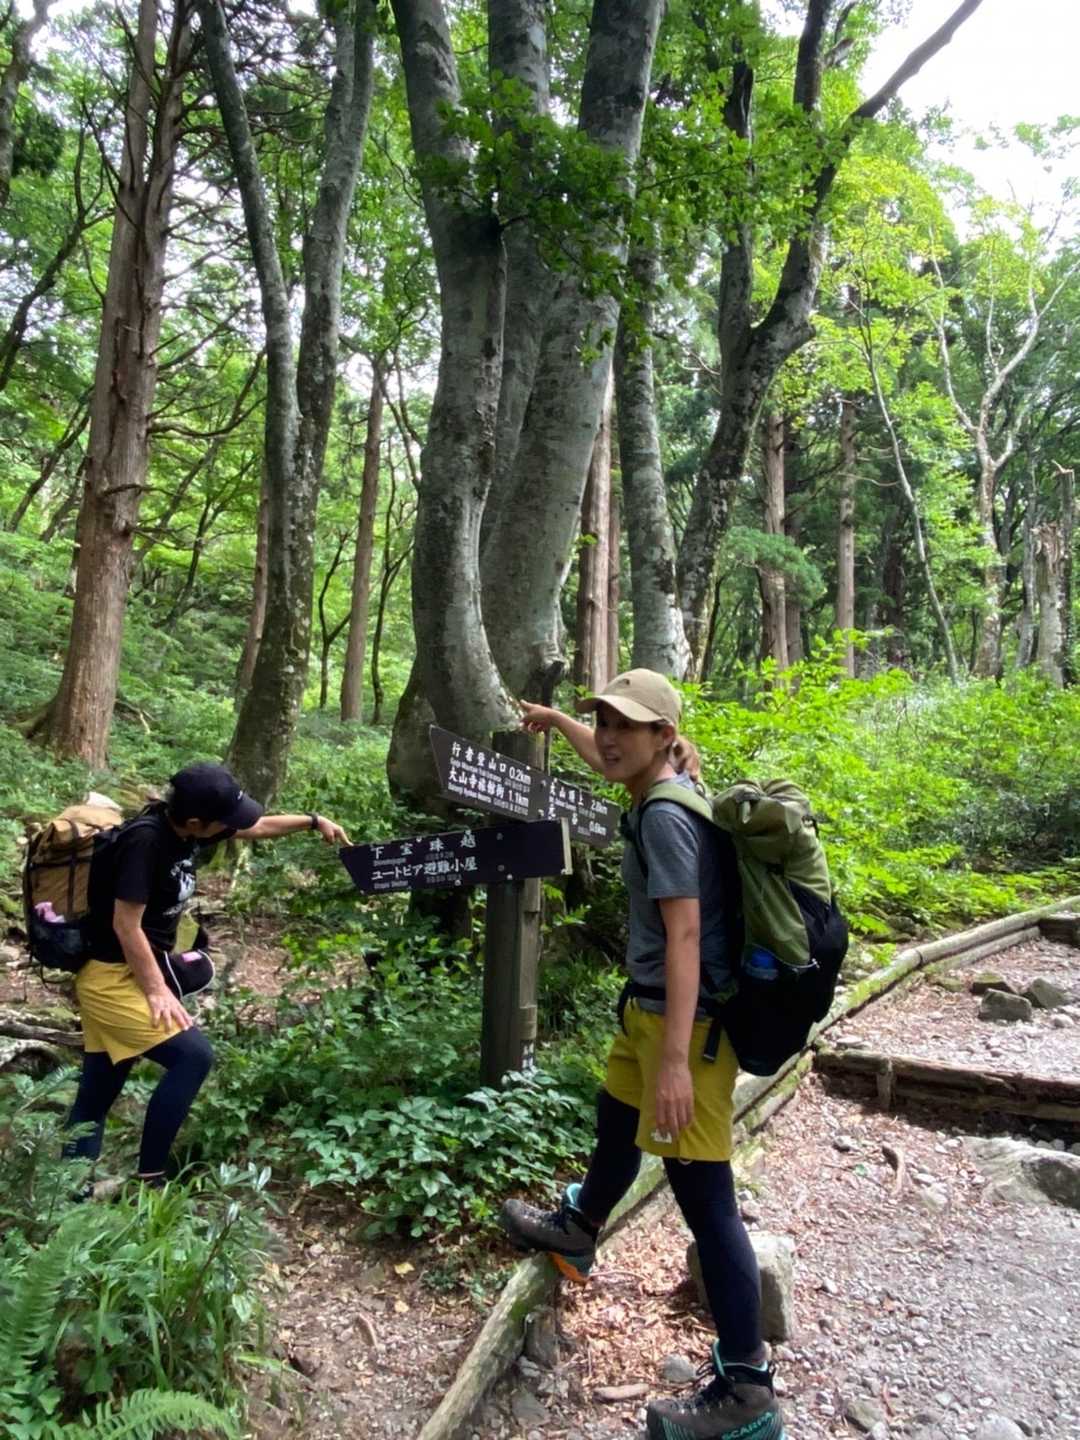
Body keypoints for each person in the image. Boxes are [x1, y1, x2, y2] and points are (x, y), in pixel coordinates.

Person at [500, 670, 785, 1440]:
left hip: (685, 1027)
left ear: (664, 736)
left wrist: (676, 1063)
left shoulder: (663, 817)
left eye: (626, 724)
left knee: (704, 1197)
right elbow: (605, 759)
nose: (609, 735)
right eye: (604, 720)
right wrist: (557, 719)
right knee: (614, 1120)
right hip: (648, 1009)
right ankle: (581, 1226)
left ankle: (748, 1386)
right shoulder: (663, 785)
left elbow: (685, 935)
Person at [65, 762, 349, 1188]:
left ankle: (66, 1193)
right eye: (223, 820)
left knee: (97, 1093)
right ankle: (150, 1180)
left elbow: (256, 827)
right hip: (111, 980)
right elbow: (126, 925)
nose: (231, 826)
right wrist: (157, 991)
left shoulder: (189, 830)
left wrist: (312, 821)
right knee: (193, 1056)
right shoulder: (146, 842)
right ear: (196, 822)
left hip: (129, 972)